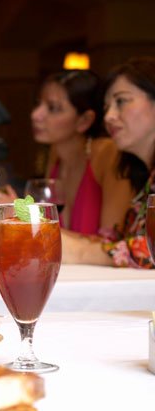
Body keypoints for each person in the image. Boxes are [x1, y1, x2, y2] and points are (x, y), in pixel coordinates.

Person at [0, 70, 133, 235]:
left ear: (84, 120)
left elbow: (111, 246)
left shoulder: (108, 154)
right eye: (39, 104)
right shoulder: (56, 154)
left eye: (53, 108)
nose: (35, 115)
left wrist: (24, 216)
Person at [63, 57, 155, 268]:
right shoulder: (145, 177)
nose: (109, 116)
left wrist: (81, 253)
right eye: (107, 107)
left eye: (121, 101)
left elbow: (150, 251)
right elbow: (121, 244)